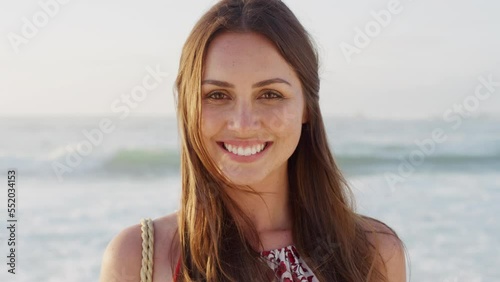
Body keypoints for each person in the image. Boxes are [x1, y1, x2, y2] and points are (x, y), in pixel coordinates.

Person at [99, 0, 408, 281]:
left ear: (306, 108)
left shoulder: (373, 253)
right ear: (188, 107)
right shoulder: (142, 259)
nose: (243, 124)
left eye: (270, 94)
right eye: (217, 95)